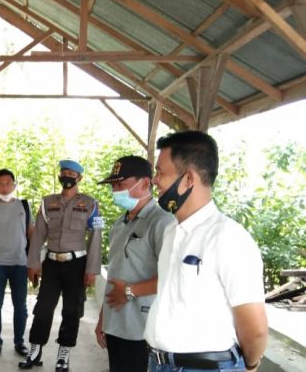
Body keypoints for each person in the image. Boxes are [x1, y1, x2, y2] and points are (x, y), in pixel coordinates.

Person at [145, 131, 268, 372]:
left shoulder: (228, 238)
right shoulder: (172, 231)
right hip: (160, 364)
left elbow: (255, 329)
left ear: (188, 178)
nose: (155, 181)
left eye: (160, 173)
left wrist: (250, 366)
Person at [19, 159, 103, 372]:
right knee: (43, 309)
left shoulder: (91, 204)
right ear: (59, 175)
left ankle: (63, 355)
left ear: (79, 178)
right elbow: (38, 235)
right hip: (52, 265)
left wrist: (92, 270)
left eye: (71, 173)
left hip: (77, 265)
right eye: (64, 172)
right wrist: (33, 263)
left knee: (71, 310)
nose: (67, 176)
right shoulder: (48, 202)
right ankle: (35, 351)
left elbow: (96, 237)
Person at [94, 155, 175, 372]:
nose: (115, 191)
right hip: (116, 324)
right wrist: (104, 318)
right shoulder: (120, 224)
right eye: (113, 186)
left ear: (146, 183)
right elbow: (115, 275)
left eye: (121, 184)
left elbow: (173, 277)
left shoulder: (162, 222)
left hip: (142, 328)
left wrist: (130, 291)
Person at [0, 169, 34, 358]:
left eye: (8, 183)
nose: (4, 187)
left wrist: (34, 262)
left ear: (14, 184)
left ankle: (19, 342)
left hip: (20, 262)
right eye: (0, 184)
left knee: (21, 306)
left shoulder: (24, 206)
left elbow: (31, 234)